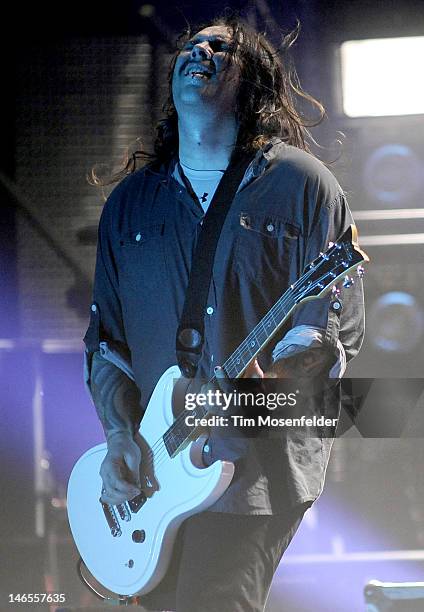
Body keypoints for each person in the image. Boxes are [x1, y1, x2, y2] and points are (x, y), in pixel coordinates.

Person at [83, 14, 365, 612]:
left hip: (254, 469)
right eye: (192, 44)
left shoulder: (303, 185)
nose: (201, 52)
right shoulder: (130, 204)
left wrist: (264, 390)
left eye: (222, 48)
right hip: (156, 478)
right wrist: (116, 438)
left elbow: (326, 338)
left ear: (254, 81)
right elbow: (107, 346)